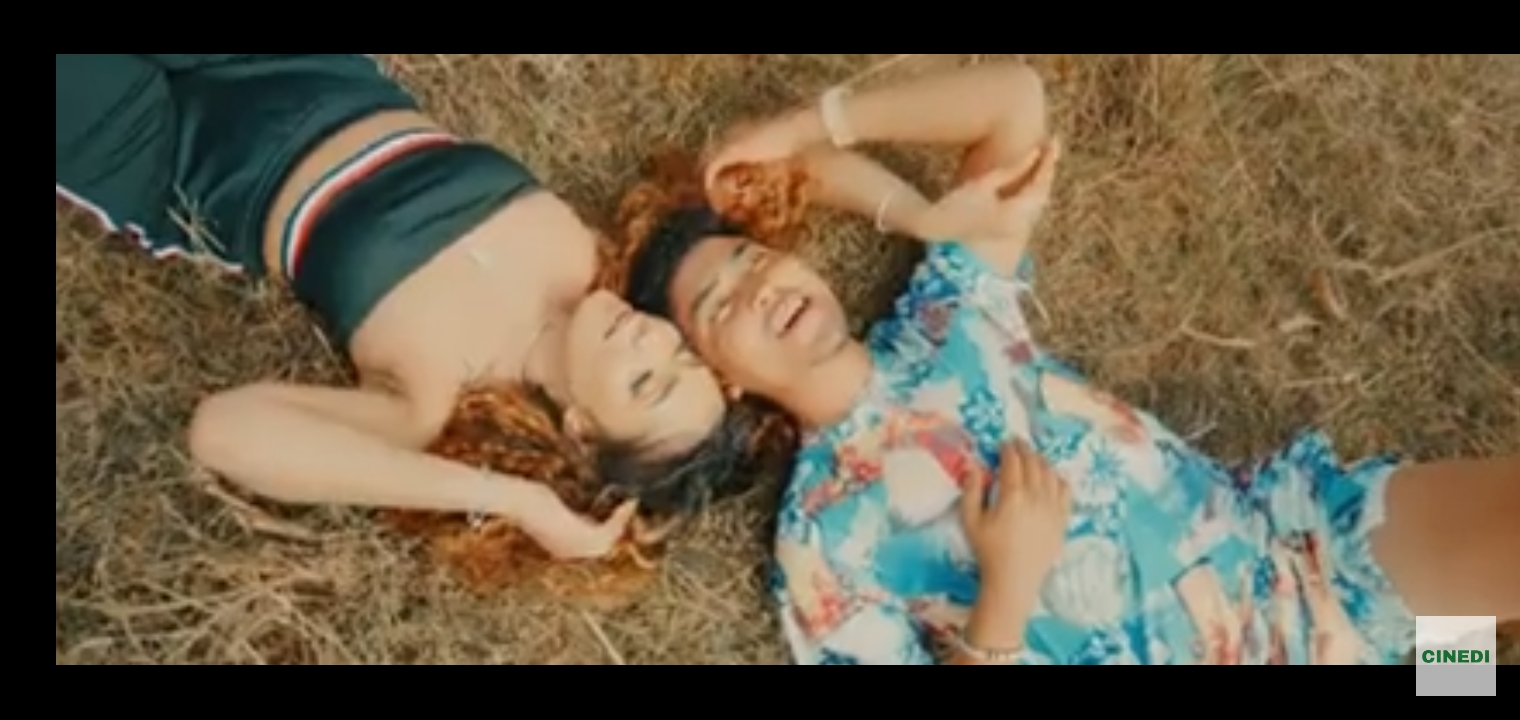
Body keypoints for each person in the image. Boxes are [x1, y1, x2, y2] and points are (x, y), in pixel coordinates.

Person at [618, 60, 1520, 664]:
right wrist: (1008, 587)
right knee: (1452, 655)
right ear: (722, 380)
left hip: (1300, 547)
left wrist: (807, 132)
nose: (756, 289)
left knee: (1485, 579)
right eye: (719, 308)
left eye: (752, 259)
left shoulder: (947, 321)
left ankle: (1459, 658)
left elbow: (1013, 100)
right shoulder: (822, 546)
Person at [55, 54, 789, 563]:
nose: (649, 339)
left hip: (166, 149)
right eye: (680, 351)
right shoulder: (599, 260)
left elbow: (224, 431)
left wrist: (517, 501)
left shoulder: (435, 397)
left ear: (582, 429)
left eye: (645, 382)